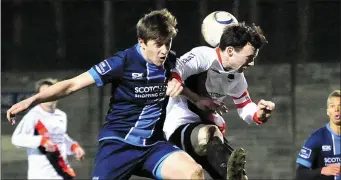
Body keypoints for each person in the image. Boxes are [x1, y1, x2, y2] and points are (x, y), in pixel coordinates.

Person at [7, 9, 204, 180]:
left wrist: (196, 98)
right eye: (158, 44)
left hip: (153, 146)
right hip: (118, 145)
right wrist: (33, 100)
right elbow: (72, 84)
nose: (164, 50)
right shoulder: (122, 62)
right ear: (142, 42)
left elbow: (172, 82)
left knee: (193, 172)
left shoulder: (169, 60)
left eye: (168, 43)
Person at [163, 22, 276, 180]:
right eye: (249, 57)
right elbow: (178, 69)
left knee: (238, 176)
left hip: (211, 140)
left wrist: (259, 113)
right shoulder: (203, 56)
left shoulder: (237, 77)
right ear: (230, 51)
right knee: (208, 134)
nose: (251, 63)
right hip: (179, 126)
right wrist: (176, 81)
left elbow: (244, 107)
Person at [11, 78, 86, 179]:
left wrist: (73, 147)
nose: (48, 95)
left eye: (51, 91)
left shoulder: (61, 115)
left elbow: (60, 136)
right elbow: (16, 139)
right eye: (44, 93)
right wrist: (41, 140)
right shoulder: (34, 115)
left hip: (61, 173)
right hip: (41, 174)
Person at [296, 90, 340, 180]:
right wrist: (321, 171)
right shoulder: (316, 138)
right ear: (328, 111)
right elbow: (300, 174)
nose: (337, 109)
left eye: (340, 105)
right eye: (332, 106)